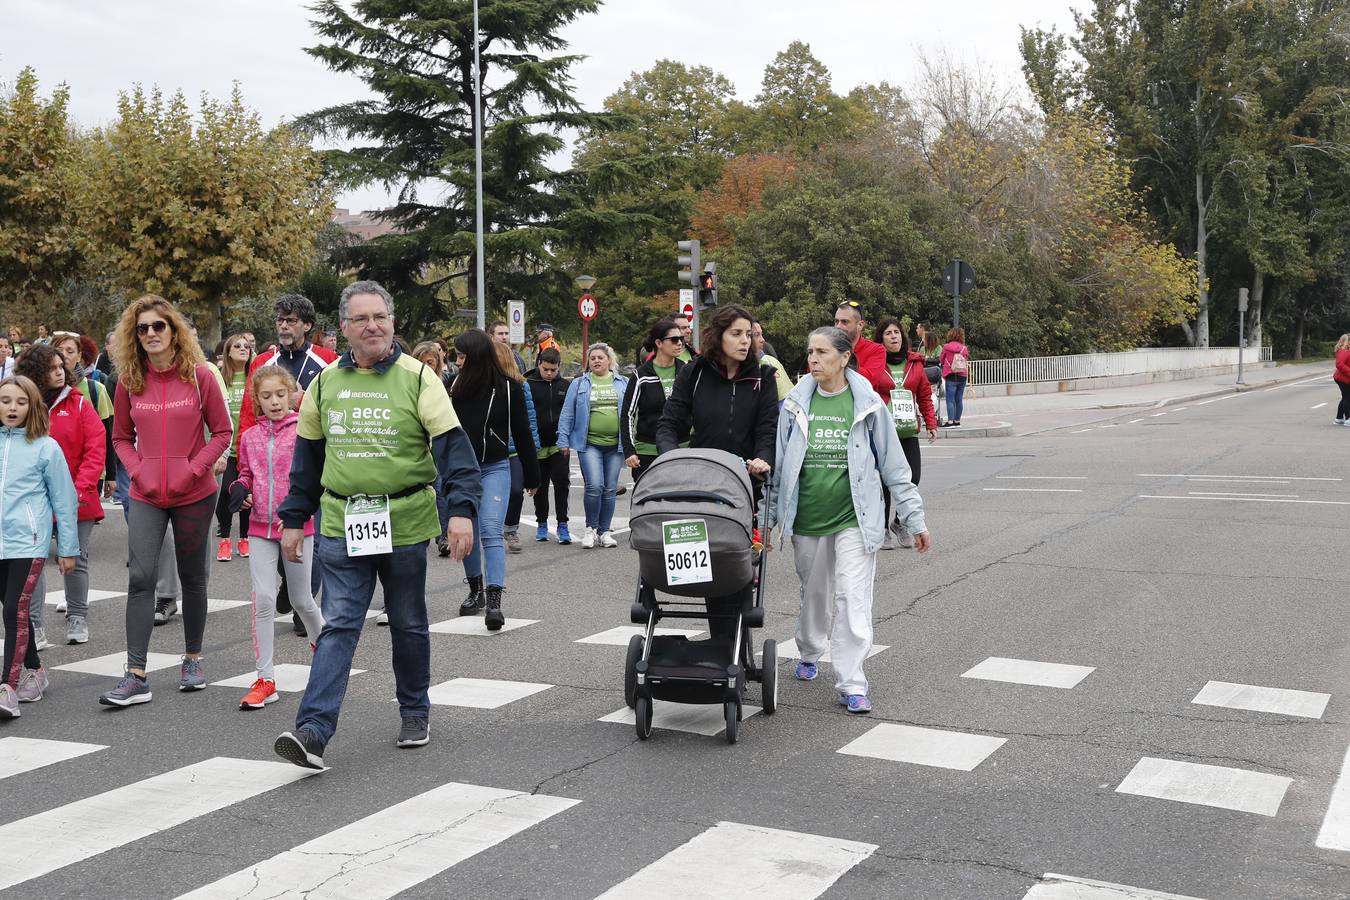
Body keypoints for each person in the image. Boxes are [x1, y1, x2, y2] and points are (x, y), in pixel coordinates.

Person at [273, 280, 480, 769]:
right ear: (344, 328)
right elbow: (306, 460)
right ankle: (313, 732)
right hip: (342, 519)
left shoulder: (417, 378)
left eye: (380, 317)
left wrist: (462, 511)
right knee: (340, 622)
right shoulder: (324, 384)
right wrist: (293, 520)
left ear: (393, 322)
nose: (373, 326)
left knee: (408, 621)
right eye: (361, 319)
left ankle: (414, 709)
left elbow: (455, 451)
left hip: (405, 520)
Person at [770, 326, 932, 714]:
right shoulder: (794, 404)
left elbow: (895, 468)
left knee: (852, 597)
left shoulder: (868, 405)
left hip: (855, 518)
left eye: (822, 352)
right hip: (807, 516)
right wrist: (769, 523)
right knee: (815, 592)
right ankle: (809, 650)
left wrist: (914, 519)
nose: (813, 359)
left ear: (844, 357)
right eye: (810, 352)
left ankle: (852, 681)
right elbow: (779, 469)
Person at [99, 295, 233, 707]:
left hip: (194, 493)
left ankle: (192, 658)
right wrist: (137, 470)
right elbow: (120, 437)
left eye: (158, 326)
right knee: (140, 579)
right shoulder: (128, 381)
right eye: (142, 329)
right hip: (145, 495)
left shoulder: (200, 377)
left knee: (193, 579)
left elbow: (224, 433)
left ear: (173, 331)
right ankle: (135, 674)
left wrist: (194, 469)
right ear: (134, 337)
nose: (151, 334)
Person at [655, 305, 778, 646]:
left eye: (749, 335)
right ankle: (723, 643)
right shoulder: (694, 373)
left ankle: (730, 646)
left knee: (731, 565)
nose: (745, 341)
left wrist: (763, 459)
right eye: (736, 334)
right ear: (718, 336)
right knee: (701, 569)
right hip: (699, 483)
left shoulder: (763, 377)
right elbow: (670, 422)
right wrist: (669, 459)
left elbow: (768, 430)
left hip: (741, 484)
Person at [239, 295, 338, 636]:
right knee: (277, 535)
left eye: (291, 320)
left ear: (307, 325)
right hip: (269, 463)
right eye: (280, 320)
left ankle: (304, 600)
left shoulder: (326, 361)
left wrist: (305, 401)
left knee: (314, 536)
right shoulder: (265, 361)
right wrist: (240, 465)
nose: (284, 326)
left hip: (315, 462)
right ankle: (289, 586)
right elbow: (249, 414)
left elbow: (335, 409)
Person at [229, 366, 325, 710]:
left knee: (302, 600)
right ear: (257, 400)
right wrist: (240, 489)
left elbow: (315, 476)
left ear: (292, 395)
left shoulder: (304, 430)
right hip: (259, 527)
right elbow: (245, 473)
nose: (274, 402)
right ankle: (265, 678)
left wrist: (301, 512)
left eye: (280, 395)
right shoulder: (250, 437)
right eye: (266, 396)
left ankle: (326, 656)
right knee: (264, 599)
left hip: (296, 526)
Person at [0, 375, 79, 718]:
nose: (12, 408)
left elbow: (65, 500)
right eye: (5, 401)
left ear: (32, 406)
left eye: (20, 402)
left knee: (12, 611)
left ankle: (7, 688)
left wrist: (68, 548)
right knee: (13, 611)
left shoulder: (45, 446)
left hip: (27, 542)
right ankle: (35, 670)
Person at [16, 345, 105, 647]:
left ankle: (77, 618)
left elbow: (96, 448)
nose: (59, 371)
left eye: (60, 366)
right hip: (34, 501)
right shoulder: (23, 406)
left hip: (78, 497)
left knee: (76, 559)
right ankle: (35, 626)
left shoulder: (79, 403)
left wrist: (78, 490)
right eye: (51, 367)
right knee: (34, 562)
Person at [449, 329, 538, 628]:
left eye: (461, 356)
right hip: (461, 471)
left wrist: (532, 474)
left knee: (489, 530)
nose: (457, 362)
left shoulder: (508, 388)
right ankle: (475, 590)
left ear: (475, 357)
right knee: (467, 532)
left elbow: (523, 432)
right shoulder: (453, 387)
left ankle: (495, 600)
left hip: (495, 466)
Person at [557, 342, 629, 549]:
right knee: (594, 485)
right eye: (593, 358)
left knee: (609, 489)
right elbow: (567, 413)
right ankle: (590, 529)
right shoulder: (580, 384)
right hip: (589, 444)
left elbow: (632, 415)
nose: (596, 360)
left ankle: (604, 531)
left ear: (609, 360)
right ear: (588, 362)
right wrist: (562, 439)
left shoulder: (623, 382)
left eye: (600, 357)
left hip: (616, 445)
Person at [876, 317, 938, 549]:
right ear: (880, 339)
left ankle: (899, 522)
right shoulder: (876, 363)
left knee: (912, 479)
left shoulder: (915, 363)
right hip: (884, 432)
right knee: (883, 483)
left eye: (897, 332)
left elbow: (923, 395)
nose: (894, 336)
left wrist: (931, 423)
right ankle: (881, 528)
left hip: (908, 430)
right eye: (888, 333)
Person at [621, 317, 687, 483]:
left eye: (681, 339)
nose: (679, 343)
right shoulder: (641, 375)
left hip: (683, 449)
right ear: (659, 343)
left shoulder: (686, 371)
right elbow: (627, 415)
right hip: (648, 452)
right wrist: (629, 451)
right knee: (648, 505)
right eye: (674, 339)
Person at [492, 341, 540, 554]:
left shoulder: (521, 385)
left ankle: (510, 529)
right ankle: (492, 529)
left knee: (515, 491)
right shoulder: (484, 386)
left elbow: (529, 418)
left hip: (515, 448)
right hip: (492, 449)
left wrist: (534, 449)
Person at [215, 334, 255, 562]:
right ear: (227, 352)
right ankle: (224, 539)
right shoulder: (221, 379)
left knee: (247, 493)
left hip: (249, 448)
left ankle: (244, 537)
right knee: (224, 493)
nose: (243, 349)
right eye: (237, 346)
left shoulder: (255, 377)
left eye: (247, 346)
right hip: (227, 450)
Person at [525, 347, 571, 543]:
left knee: (561, 482)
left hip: (558, 444)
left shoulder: (565, 385)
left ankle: (563, 524)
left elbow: (569, 414)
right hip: (537, 444)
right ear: (539, 365)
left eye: (553, 369)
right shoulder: (529, 383)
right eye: (545, 369)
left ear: (559, 366)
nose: (549, 373)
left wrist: (567, 439)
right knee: (540, 485)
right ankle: (542, 523)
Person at [832, 301, 893, 397]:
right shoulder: (827, 348)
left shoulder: (876, 350)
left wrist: (840, 356)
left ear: (860, 325)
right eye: (836, 321)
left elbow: (867, 380)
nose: (838, 326)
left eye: (844, 322)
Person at [751, 321, 794, 401]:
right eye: (757, 335)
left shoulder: (769, 363)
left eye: (761, 334)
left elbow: (786, 402)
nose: (762, 339)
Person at [940, 327, 971, 427]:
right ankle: (957, 421)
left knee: (950, 399)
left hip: (951, 374)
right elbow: (965, 359)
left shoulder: (946, 347)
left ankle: (950, 421)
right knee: (959, 399)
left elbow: (941, 359)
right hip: (962, 375)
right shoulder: (964, 348)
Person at [1335, 334, 1350, 425]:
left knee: (1345, 397)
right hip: (1343, 379)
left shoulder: (1345, 351)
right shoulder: (1344, 351)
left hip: (1344, 378)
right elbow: (1339, 365)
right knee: (1347, 398)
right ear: (1346, 341)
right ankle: (1348, 418)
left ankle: (1339, 418)